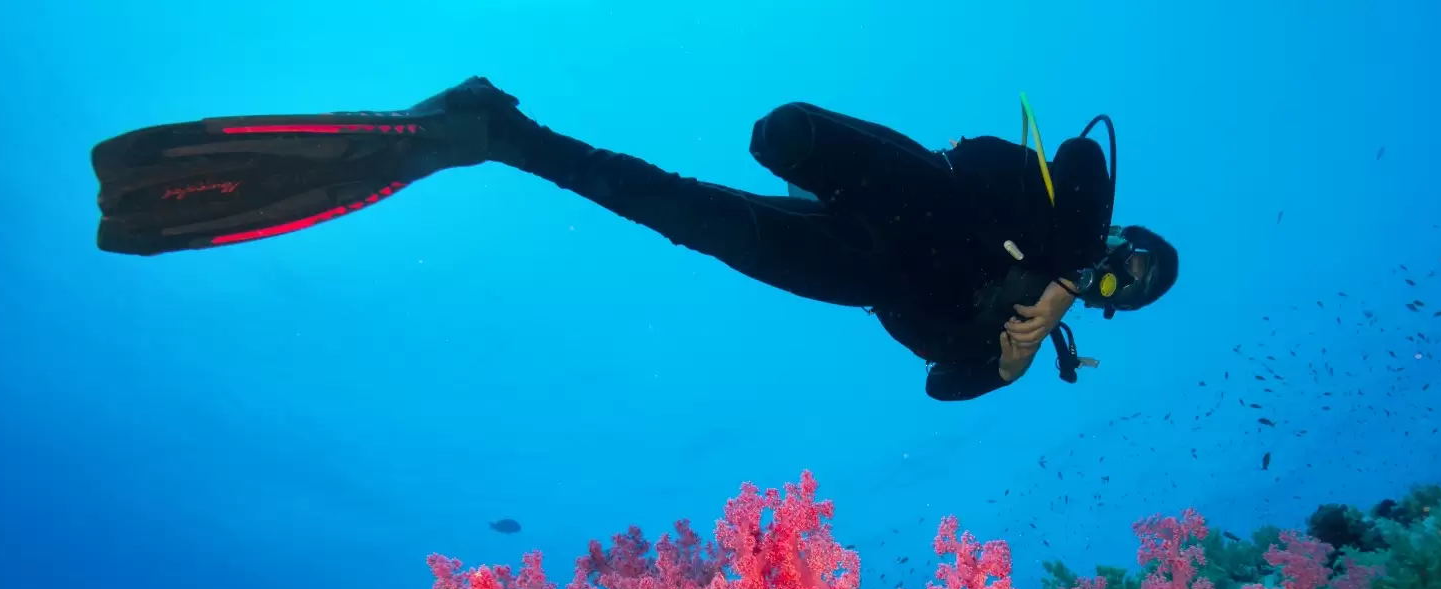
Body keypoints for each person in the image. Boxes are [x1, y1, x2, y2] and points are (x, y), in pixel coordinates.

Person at [91, 77, 1177, 401]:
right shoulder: (1062, 203)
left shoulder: (1029, 336)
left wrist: (1016, 348)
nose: (1110, 284)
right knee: (779, 132)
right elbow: (1059, 164)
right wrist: (1059, 243)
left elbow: (939, 381)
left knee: (681, 213)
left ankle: (500, 135)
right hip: (911, 194)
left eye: (1126, 294)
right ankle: (495, 132)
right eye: (1127, 264)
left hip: (855, 267)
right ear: (1119, 234)